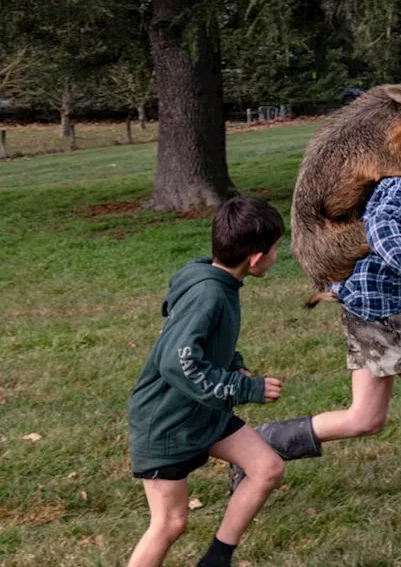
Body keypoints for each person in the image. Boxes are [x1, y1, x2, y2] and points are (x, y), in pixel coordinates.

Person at [234, 123, 401, 517]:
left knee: (365, 418)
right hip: (380, 310)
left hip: (365, 305)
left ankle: (258, 445)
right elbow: (381, 229)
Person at [126, 197, 286, 567]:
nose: (279, 255)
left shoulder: (212, 278)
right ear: (256, 258)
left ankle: (216, 559)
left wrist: (235, 364)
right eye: (277, 248)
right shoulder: (208, 293)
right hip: (167, 423)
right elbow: (177, 362)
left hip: (202, 410)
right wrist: (245, 388)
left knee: (267, 468)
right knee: (170, 523)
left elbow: (206, 343)